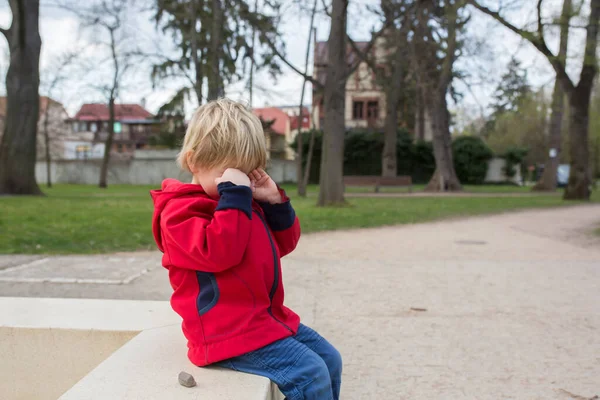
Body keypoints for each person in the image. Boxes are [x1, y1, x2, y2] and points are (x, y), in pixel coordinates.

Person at [150, 98, 342, 399]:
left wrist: (273, 202)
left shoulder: (239, 203)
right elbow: (219, 253)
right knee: (309, 374)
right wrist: (234, 198)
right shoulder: (179, 213)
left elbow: (284, 244)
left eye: (245, 171)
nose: (238, 181)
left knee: (330, 360)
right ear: (194, 162)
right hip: (225, 334)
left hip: (262, 321)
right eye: (228, 173)